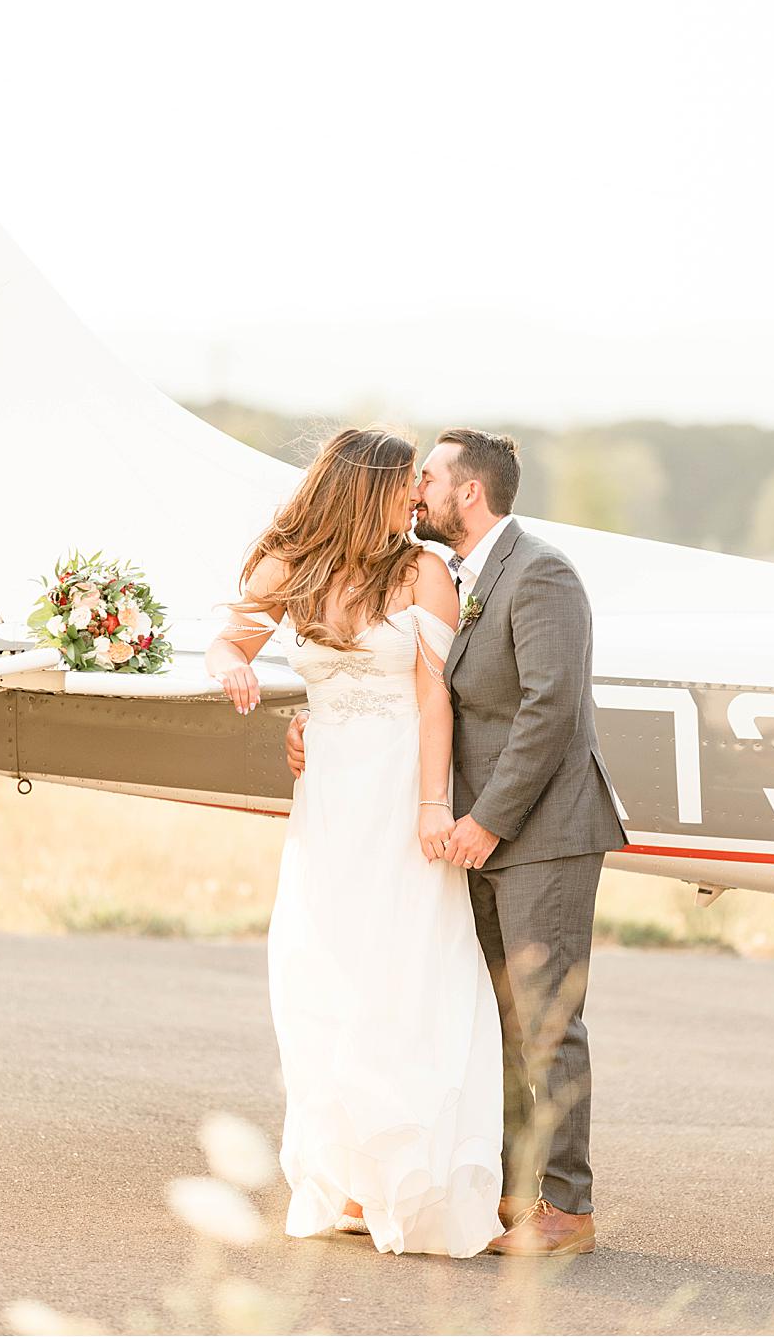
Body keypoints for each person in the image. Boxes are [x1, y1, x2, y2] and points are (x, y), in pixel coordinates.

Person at [287, 428, 629, 1257]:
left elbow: (552, 711)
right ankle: (512, 1190)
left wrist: (484, 820)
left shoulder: (541, 572)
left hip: (540, 831)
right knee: (489, 1017)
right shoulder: (454, 577)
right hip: (466, 836)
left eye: (428, 478)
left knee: (547, 1019)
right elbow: (423, 694)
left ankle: (569, 1209)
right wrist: (319, 727)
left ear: (467, 493)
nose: (414, 492)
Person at [205, 427, 504, 1259]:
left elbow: (434, 699)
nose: (417, 494)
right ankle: (339, 1177)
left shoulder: (423, 570)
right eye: (406, 481)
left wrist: (431, 805)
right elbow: (230, 635)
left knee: (405, 966)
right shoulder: (290, 564)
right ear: (365, 487)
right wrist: (230, 663)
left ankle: (407, 1177)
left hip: (401, 789)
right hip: (329, 794)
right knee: (321, 965)